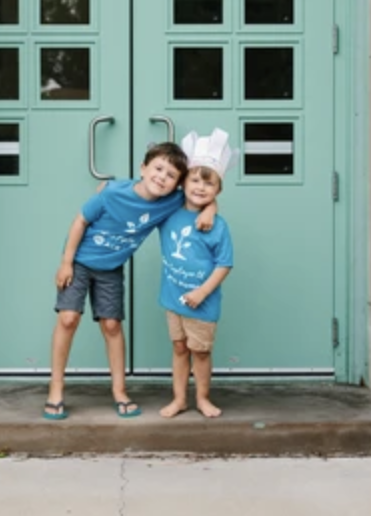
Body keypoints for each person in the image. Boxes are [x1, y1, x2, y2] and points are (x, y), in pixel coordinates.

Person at [44, 142, 215, 420]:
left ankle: (119, 390)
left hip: (111, 268)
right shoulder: (112, 192)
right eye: (158, 169)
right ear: (143, 168)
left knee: (111, 325)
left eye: (171, 175)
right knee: (68, 318)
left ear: (177, 184)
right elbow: (79, 222)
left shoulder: (169, 200)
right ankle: (56, 389)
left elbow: (201, 195)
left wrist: (210, 209)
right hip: (79, 261)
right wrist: (66, 262)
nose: (162, 177)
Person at [158, 128, 235, 419]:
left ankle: (202, 397)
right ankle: (179, 399)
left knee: (200, 351)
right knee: (179, 347)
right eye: (194, 180)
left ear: (218, 190)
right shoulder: (169, 211)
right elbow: (149, 191)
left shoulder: (218, 225)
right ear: (183, 183)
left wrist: (203, 291)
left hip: (202, 301)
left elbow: (224, 263)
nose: (201, 187)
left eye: (209, 184)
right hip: (173, 297)